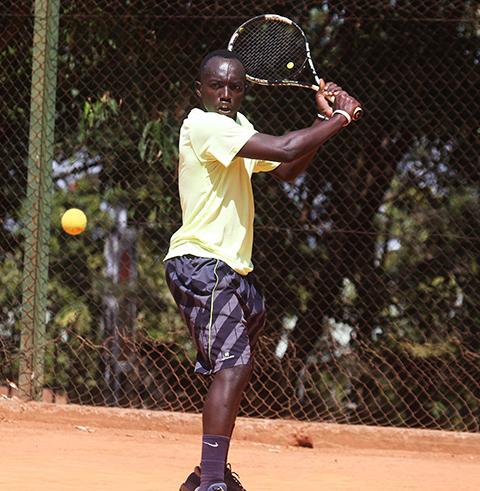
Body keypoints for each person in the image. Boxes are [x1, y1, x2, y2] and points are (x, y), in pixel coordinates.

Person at [164, 48, 361, 491]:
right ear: (201, 90)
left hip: (234, 270)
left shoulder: (238, 128)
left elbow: (288, 167)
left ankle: (204, 476)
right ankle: (212, 480)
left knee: (234, 367)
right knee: (232, 365)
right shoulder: (203, 124)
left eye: (235, 86)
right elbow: (285, 146)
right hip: (201, 263)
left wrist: (321, 122)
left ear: (243, 89)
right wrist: (339, 121)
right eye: (217, 85)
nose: (226, 94)